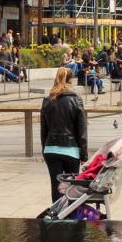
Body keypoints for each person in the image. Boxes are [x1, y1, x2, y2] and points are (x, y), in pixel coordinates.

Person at [40, 67, 89, 201]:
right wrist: (84, 155)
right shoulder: (76, 99)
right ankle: (70, 217)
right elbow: (82, 130)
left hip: (51, 149)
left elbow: (43, 130)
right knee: (71, 188)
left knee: (56, 187)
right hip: (70, 151)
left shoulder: (48, 100)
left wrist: (45, 149)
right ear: (70, 80)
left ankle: (56, 217)